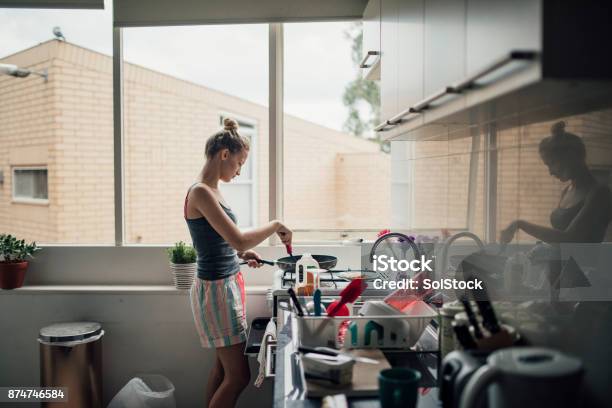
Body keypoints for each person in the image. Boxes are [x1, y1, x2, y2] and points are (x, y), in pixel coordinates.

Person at [184, 118, 292, 408]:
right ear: (224, 154)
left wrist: (240, 257)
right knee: (238, 376)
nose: (240, 170)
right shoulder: (201, 192)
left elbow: (218, 243)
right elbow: (239, 239)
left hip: (224, 285)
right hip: (216, 292)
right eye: (239, 162)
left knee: (223, 371)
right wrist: (275, 225)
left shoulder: (212, 191)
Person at [500, 121, 611, 245]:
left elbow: (570, 239)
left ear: (571, 157)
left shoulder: (600, 193)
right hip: (560, 264)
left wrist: (520, 224)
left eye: (552, 164)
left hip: (583, 265)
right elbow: (558, 238)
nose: (551, 172)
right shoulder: (567, 190)